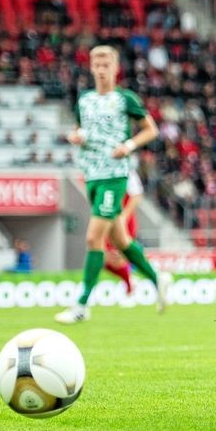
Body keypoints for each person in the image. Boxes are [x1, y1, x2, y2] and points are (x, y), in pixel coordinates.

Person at [55, 45, 171, 324]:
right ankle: (158, 278)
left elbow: (150, 129)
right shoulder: (83, 101)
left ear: (115, 68)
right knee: (120, 240)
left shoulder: (124, 99)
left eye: (107, 64)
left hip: (115, 175)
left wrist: (128, 145)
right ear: (91, 68)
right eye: (97, 64)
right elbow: (81, 130)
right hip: (91, 175)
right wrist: (76, 137)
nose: (102, 69)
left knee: (94, 238)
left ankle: (81, 305)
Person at [103, 167, 146, 294]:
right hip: (107, 220)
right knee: (105, 259)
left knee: (119, 255)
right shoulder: (102, 169)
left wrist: (124, 216)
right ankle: (130, 281)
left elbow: (137, 195)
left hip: (123, 221)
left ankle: (131, 285)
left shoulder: (126, 170)